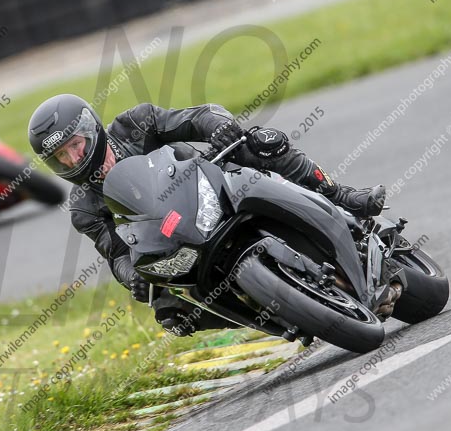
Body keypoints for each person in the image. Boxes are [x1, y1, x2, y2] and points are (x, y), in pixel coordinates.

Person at [27, 94, 385, 335]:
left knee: (260, 143)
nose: (73, 159)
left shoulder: (135, 124)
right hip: (178, 241)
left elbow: (196, 117)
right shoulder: (83, 208)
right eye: (62, 156)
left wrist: (220, 126)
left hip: (213, 187)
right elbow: (117, 254)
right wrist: (131, 277)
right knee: (167, 311)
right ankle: (274, 316)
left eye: (75, 145)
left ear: (91, 131)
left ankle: (342, 196)